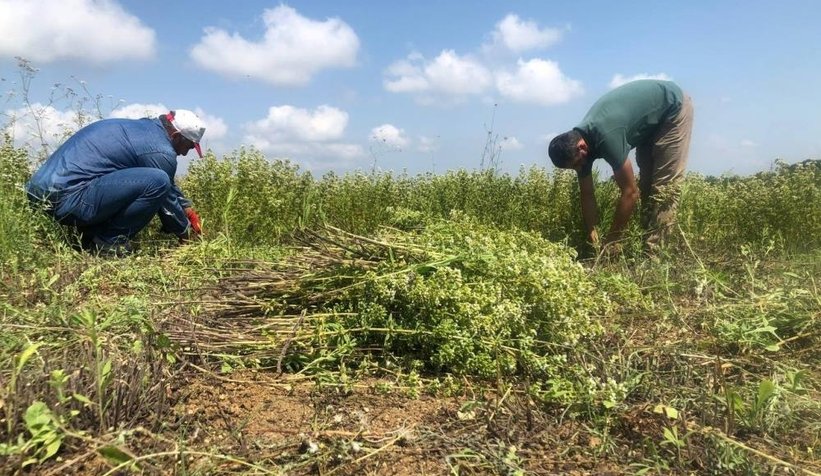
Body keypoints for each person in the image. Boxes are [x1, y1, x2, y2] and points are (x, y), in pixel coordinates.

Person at [26, 109, 206, 256]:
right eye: (189, 147)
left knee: (157, 179)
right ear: (176, 136)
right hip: (67, 200)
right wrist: (185, 233)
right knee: (158, 181)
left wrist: (186, 208)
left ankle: (90, 236)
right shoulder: (161, 151)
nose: (185, 153)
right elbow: (165, 194)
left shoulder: (141, 130)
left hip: (39, 196)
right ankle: (108, 243)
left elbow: (169, 187)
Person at [548, 79, 694, 254]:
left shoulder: (606, 136)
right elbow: (587, 194)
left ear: (581, 147)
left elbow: (630, 192)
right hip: (650, 123)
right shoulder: (579, 153)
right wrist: (593, 236)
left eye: (578, 164)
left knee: (664, 187)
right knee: (647, 185)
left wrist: (612, 241)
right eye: (574, 168)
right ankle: (645, 242)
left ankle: (654, 257)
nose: (579, 168)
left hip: (672, 107)